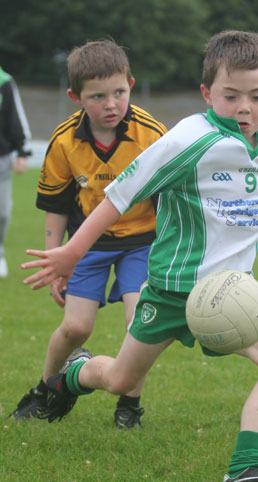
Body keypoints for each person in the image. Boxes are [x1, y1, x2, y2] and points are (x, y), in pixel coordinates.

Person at [21, 30, 258, 482]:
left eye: (256, 96)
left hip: (231, 295)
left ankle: (246, 471)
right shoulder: (188, 140)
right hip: (173, 291)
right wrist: (72, 252)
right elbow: (120, 195)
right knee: (120, 379)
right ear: (206, 93)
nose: (244, 108)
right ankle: (77, 371)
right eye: (230, 95)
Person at [10, 40, 167, 429]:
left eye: (119, 92)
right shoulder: (64, 140)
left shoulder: (153, 135)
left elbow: (173, 199)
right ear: (75, 97)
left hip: (142, 244)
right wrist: (55, 262)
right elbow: (56, 205)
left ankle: (129, 406)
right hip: (87, 245)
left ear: (131, 84)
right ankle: (45, 389)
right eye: (97, 96)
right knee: (76, 328)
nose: (111, 104)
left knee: (139, 325)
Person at [0, 66, 32, 278]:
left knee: (2, 212)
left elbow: (15, 116)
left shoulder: (4, 82)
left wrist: (23, 151)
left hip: (1, 158)